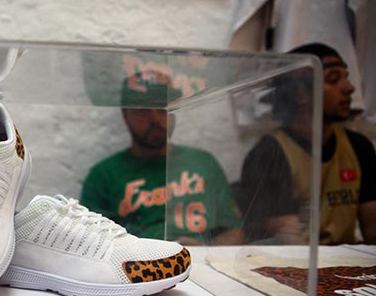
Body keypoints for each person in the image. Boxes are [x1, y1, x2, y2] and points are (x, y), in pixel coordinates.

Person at [80, 72, 243, 245]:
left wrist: (204, 252)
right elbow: (91, 244)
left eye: (163, 108)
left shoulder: (203, 163)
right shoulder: (103, 176)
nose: (155, 119)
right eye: (143, 110)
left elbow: (234, 230)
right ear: (125, 115)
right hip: (137, 261)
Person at [238, 43, 376, 245]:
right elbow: (271, 233)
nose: (349, 87)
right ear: (300, 94)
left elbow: (372, 228)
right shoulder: (270, 154)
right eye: (333, 79)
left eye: (346, 77)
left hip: (347, 259)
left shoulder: (358, 146)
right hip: (299, 261)